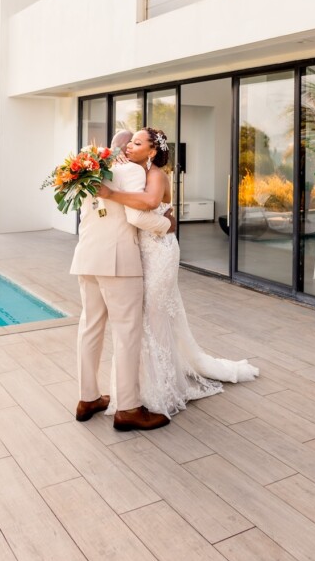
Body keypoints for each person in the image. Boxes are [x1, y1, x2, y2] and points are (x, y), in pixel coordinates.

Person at [97, 127, 259, 417]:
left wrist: (110, 193)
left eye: (136, 143)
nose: (129, 147)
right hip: (143, 252)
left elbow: (148, 203)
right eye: (129, 143)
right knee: (146, 317)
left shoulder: (157, 175)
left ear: (153, 151)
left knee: (155, 316)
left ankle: (163, 390)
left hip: (160, 251)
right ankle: (140, 386)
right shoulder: (136, 172)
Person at [70, 133, 176, 432]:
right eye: (130, 143)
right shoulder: (130, 170)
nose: (129, 148)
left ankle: (87, 398)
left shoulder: (89, 168)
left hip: (87, 255)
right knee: (127, 332)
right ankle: (128, 408)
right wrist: (167, 224)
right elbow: (138, 217)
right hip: (117, 261)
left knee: (90, 326)